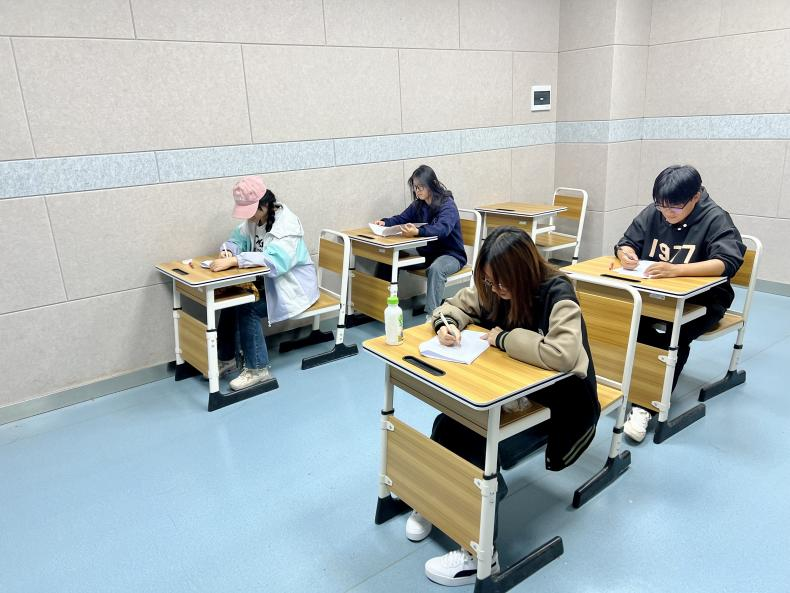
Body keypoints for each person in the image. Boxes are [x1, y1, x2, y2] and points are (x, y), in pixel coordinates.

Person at [408, 226, 600, 587]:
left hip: (561, 407)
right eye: (488, 281)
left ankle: (482, 554)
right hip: (513, 394)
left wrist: (504, 338)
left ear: (523, 273)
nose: (494, 290)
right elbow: (454, 306)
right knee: (447, 424)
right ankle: (437, 501)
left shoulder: (558, 292)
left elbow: (563, 354)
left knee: (477, 447)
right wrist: (446, 324)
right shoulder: (494, 287)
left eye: (500, 282)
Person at [615, 165, 746, 442]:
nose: (667, 213)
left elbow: (727, 262)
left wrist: (677, 270)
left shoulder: (715, 218)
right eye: (661, 206)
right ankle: (626, 385)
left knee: (673, 335)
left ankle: (645, 406)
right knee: (625, 321)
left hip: (706, 300)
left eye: (674, 207)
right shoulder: (655, 212)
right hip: (656, 295)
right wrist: (625, 253)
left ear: (695, 197)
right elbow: (626, 242)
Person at [210, 176, 318, 391]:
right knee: (231, 299)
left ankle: (258, 369)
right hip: (268, 286)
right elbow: (237, 239)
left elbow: (276, 262)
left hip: (293, 288)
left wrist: (236, 260)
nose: (248, 217)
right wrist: (229, 250)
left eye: (251, 211)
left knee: (247, 307)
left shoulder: (287, 225)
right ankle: (227, 358)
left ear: (264, 205)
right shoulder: (254, 220)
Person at [372, 165, 466, 318]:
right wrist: (385, 222)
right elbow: (402, 218)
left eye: (421, 187)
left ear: (432, 184)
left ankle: (432, 316)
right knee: (390, 257)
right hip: (428, 253)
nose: (417, 191)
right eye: (415, 187)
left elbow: (442, 229)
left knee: (436, 269)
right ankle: (378, 307)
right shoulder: (419, 204)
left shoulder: (447, 204)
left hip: (451, 255)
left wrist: (418, 232)